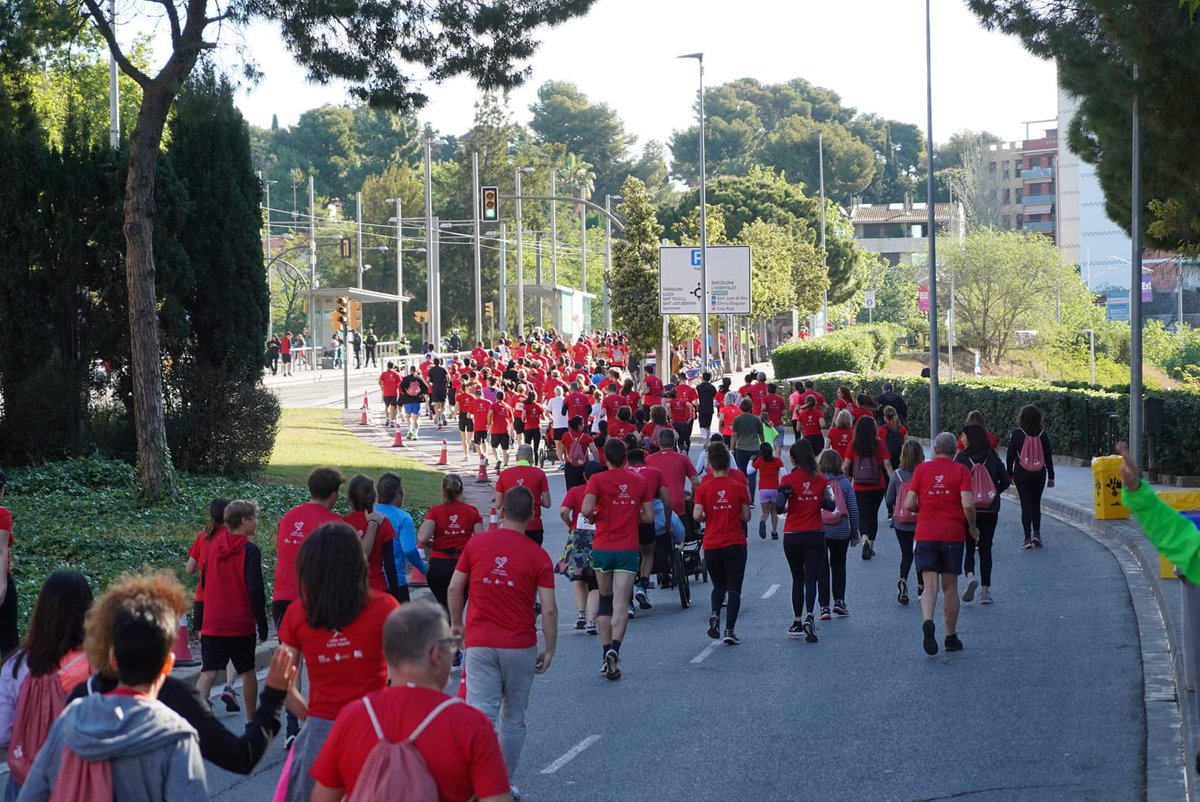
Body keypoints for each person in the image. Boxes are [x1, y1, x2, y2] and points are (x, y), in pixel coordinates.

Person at [66, 572, 294, 775]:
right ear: (167, 661)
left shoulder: (79, 701)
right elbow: (241, 757)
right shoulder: (176, 703)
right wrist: (271, 699)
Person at [19, 576, 209, 802]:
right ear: (168, 665)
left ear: (112, 658)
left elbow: (32, 794)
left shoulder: (71, 719)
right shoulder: (177, 736)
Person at [309, 602, 512, 802]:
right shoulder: (471, 724)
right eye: (451, 645)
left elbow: (322, 797)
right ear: (436, 654)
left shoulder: (352, 717)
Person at [277, 523, 401, 802]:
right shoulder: (385, 607)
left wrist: (311, 717)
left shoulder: (298, 613)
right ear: (358, 562)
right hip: (375, 726)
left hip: (321, 732)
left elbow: (282, 683)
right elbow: (410, 676)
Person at [449, 487, 557, 799]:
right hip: (519, 645)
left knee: (480, 713)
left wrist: (457, 623)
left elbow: (456, 588)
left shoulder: (477, 543)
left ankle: (471, 782)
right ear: (532, 515)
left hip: (480, 642)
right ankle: (500, 785)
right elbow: (548, 608)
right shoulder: (538, 556)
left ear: (503, 511)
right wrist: (550, 648)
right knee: (513, 718)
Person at [0, 571, 92, 800]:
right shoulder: (98, 664)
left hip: (26, 778)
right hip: (80, 778)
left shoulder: (16, 665)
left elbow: (2, 731)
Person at [274, 467, 345, 746]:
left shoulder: (288, 518)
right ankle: (320, 726)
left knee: (292, 665)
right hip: (316, 601)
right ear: (333, 495)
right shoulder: (334, 523)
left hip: (282, 599)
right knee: (322, 665)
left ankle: (292, 729)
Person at [581, 439, 654, 681]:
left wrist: (596, 516)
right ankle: (615, 648)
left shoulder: (597, 480)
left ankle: (605, 652)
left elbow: (585, 510)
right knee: (622, 602)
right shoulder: (639, 481)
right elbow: (648, 517)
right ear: (625, 458)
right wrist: (629, 512)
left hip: (603, 547)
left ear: (606, 459)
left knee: (605, 600)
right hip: (627, 548)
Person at [904, 433, 979, 655]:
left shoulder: (921, 470)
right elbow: (967, 504)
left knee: (929, 587)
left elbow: (909, 504)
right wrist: (972, 527)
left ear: (935, 448)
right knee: (950, 587)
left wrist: (924, 509)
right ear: (955, 450)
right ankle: (950, 636)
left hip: (926, 533)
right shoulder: (961, 471)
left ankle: (928, 621)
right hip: (952, 535)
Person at [195, 500, 268, 726]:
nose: (256, 522)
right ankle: (250, 719)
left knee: (207, 672)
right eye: (254, 518)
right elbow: (255, 588)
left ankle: (194, 721)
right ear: (244, 520)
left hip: (213, 620)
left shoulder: (214, 545)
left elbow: (205, 581)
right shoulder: (250, 550)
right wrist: (262, 622)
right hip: (239, 622)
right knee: (247, 670)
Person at [693, 443, 752, 645]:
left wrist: (708, 516)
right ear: (728, 463)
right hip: (734, 542)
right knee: (734, 588)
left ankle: (715, 614)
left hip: (712, 543)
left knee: (719, 585)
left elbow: (697, 515)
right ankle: (730, 629)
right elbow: (746, 515)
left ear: (710, 464)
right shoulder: (737, 486)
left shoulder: (704, 487)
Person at [186, 498, 240, 712]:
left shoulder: (203, 536)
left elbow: (189, 569)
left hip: (201, 600)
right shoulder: (231, 538)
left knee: (209, 654)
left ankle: (204, 699)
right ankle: (229, 686)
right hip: (225, 600)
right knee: (233, 648)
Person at [778, 440, 834, 643]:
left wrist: (788, 496)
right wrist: (816, 499)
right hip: (815, 533)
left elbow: (778, 507)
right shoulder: (821, 480)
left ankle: (797, 620)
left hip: (792, 534)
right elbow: (830, 504)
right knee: (812, 578)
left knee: (797, 578)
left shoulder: (787, 480)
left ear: (793, 459)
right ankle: (811, 615)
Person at [956, 424, 1010, 605]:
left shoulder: (962, 458)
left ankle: (970, 575)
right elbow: (1006, 480)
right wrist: (992, 493)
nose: (961, 439)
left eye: (963, 436)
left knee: (969, 545)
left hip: (968, 506)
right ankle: (986, 591)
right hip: (990, 508)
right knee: (986, 547)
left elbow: (954, 482)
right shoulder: (992, 456)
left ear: (970, 438)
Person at [419, 475, 485, 622]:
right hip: (462, 566)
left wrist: (432, 543)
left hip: (438, 565)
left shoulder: (435, 511)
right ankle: (454, 637)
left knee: (444, 606)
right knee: (457, 609)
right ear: (461, 490)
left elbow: (423, 537)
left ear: (443, 490)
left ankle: (446, 635)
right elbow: (481, 540)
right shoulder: (471, 511)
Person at [559, 462, 605, 635]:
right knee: (595, 582)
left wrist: (569, 524)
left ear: (584, 476)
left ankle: (581, 614)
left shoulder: (575, 491)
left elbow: (563, 510)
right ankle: (592, 622)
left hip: (578, 535)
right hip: (600, 536)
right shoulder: (604, 491)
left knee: (578, 575)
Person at [342, 475, 402, 599]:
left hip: (349, 589)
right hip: (377, 588)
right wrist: (395, 596)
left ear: (350, 500)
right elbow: (390, 565)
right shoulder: (383, 523)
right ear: (374, 498)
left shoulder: (342, 524)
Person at [817, 448, 860, 620]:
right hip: (841, 530)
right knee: (839, 565)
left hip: (820, 530)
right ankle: (839, 602)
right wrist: (854, 532)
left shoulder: (818, 482)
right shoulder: (845, 483)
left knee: (822, 567)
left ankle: (824, 607)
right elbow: (853, 509)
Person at [843, 416, 893, 560]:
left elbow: (845, 465)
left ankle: (864, 539)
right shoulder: (880, 444)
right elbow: (887, 464)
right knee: (873, 515)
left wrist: (844, 479)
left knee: (862, 515)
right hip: (878, 484)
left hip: (859, 485)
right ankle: (870, 546)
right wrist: (894, 479)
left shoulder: (854, 444)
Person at [1005, 404, 1055, 548]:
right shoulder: (1043, 434)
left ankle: (1027, 538)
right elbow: (1048, 457)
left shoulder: (1017, 434)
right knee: (1036, 504)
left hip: (1022, 473)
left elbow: (1010, 456)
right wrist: (1051, 476)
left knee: (1025, 505)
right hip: (1039, 473)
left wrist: (1009, 474)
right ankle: (1037, 534)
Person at [375, 473, 428, 603]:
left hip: (372, 580)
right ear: (398, 493)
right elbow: (409, 549)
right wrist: (422, 567)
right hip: (396, 581)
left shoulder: (370, 512)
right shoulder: (403, 517)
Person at [886, 439, 924, 605]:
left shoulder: (897, 475)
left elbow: (889, 499)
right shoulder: (922, 473)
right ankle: (921, 587)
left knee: (906, 554)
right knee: (920, 553)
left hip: (901, 521)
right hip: (920, 520)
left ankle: (903, 579)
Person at [494, 445, 552, 546]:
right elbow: (547, 503)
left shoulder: (505, 474)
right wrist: (536, 499)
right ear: (532, 458)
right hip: (534, 526)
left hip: (510, 526)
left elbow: (498, 504)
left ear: (516, 457)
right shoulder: (539, 474)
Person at [748, 442, 784, 540]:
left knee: (765, 512)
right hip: (774, 489)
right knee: (774, 511)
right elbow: (784, 474)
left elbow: (749, 471)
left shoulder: (759, 460)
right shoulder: (777, 460)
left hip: (763, 490)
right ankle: (774, 532)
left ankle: (763, 521)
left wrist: (751, 461)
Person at [731, 398, 764, 498]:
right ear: (751, 407)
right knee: (752, 475)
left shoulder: (737, 419)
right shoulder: (756, 419)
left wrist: (732, 448)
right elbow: (761, 434)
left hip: (741, 448)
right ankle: (752, 499)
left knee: (742, 474)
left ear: (741, 407)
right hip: (754, 448)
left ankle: (743, 496)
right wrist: (762, 445)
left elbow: (734, 435)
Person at [0, 471, 16, 659]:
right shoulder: (2, 514)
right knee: (9, 639)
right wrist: (2, 586)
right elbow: (1, 550)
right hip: (2, 577)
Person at [560, 416, 597, 490]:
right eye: (582, 424)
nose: (583, 425)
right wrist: (597, 462)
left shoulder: (565, 436)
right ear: (579, 425)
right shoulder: (586, 437)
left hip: (570, 465)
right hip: (583, 466)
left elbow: (562, 450)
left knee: (571, 490)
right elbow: (594, 451)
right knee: (584, 489)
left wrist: (566, 457)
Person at [487, 389, 516, 470]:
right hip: (505, 429)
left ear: (496, 397)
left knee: (494, 447)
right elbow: (512, 420)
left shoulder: (493, 405)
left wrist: (489, 423)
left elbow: (490, 414)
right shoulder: (508, 407)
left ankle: (498, 459)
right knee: (505, 449)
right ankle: (506, 465)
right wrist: (512, 430)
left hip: (495, 429)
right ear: (504, 397)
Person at [400, 367, 430, 440]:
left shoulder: (406, 378)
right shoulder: (419, 378)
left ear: (410, 370)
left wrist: (406, 392)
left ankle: (409, 430)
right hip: (417, 399)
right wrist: (420, 393)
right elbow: (426, 387)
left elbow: (401, 387)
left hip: (408, 399)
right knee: (416, 418)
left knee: (408, 416)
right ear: (416, 371)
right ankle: (415, 433)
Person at [378, 361, 402, 429]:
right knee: (393, 407)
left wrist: (382, 387)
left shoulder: (384, 373)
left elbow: (379, 381)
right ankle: (392, 420)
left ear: (387, 366)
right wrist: (396, 386)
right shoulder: (396, 374)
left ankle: (387, 418)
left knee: (386, 406)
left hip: (386, 392)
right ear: (393, 366)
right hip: (394, 392)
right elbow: (400, 381)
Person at [696, 371, 717, 442]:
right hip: (709, 408)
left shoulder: (698, 387)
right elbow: (715, 398)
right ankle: (708, 437)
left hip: (701, 407)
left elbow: (696, 398)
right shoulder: (712, 388)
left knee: (702, 424)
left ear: (702, 378)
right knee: (708, 424)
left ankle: (705, 438)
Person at [428, 356, 449, 429]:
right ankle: (442, 415)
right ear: (440, 362)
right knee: (443, 405)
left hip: (435, 389)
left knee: (436, 405)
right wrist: (446, 385)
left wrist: (430, 384)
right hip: (442, 388)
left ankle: (438, 418)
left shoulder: (431, 370)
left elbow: (427, 380)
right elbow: (447, 378)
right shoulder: (443, 369)